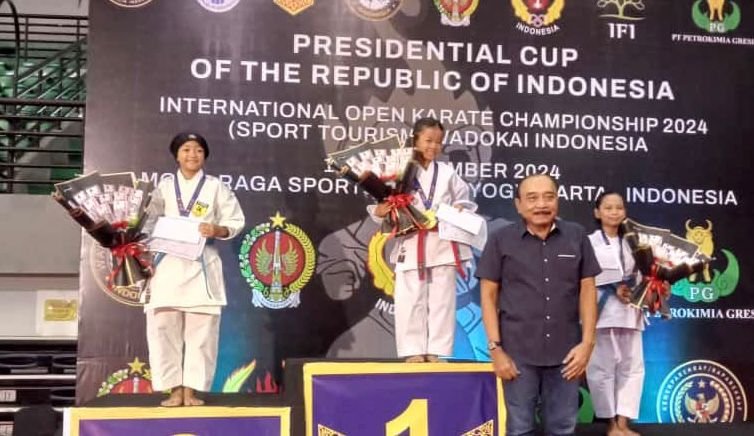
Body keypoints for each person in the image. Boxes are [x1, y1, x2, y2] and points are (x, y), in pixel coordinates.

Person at [477, 173, 601, 435]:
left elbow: (588, 291)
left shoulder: (577, 235)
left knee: (562, 429)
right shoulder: (500, 239)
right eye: (532, 198)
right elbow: (488, 296)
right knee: (519, 429)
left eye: (548, 197)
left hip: (567, 354)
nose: (541, 204)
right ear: (518, 204)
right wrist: (495, 349)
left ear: (557, 200)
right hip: (517, 355)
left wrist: (587, 344)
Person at [145, 132, 245, 406]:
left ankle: (191, 391)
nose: (192, 155)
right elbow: (146, 219)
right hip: (167, 267)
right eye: (186, 149)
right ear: (176, 155)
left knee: (202, 335)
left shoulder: (216, 187)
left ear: (205, 156)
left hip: (202, 266)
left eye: (198, 150)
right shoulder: (163, 187)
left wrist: (216, 229)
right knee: (163, 331)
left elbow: (235, 221)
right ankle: (174, 390)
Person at [370, 117, 474, 363]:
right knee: (410, 299)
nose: (433, 146)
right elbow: (383, 204)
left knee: (442, 300)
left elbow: (465, 199)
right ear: (415, 140)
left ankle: (436, 350)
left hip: (441, 241)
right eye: (428, 140)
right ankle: (412, 351)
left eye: (438, 142)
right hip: (411, 240)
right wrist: (381, 210)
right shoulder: (400, 170)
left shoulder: (447, 172)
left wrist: (460, 207)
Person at [585, 192, 644, 436]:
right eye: (608, 207)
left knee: (633, 369)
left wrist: (651, 289)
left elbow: (643, 274)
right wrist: (612, 287)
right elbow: (582, 277)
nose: (614, 212)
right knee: (601, 369)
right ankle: (610, 424)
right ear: (597, 212)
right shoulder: (588, 242)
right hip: (601, 312)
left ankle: (623, 423)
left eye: (619, 207)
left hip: (631, 311)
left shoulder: (635, 243)